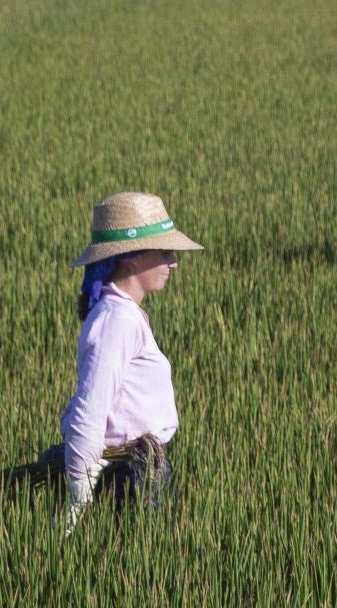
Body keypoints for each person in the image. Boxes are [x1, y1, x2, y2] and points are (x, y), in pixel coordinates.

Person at [59, 191, 202, 533]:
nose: (173, 263)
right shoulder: (116, 320)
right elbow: (91, 403)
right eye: (165, 252)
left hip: (140, 466)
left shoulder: (123, 314)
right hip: (129, 474)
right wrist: (80, 479)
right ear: (133, 257)